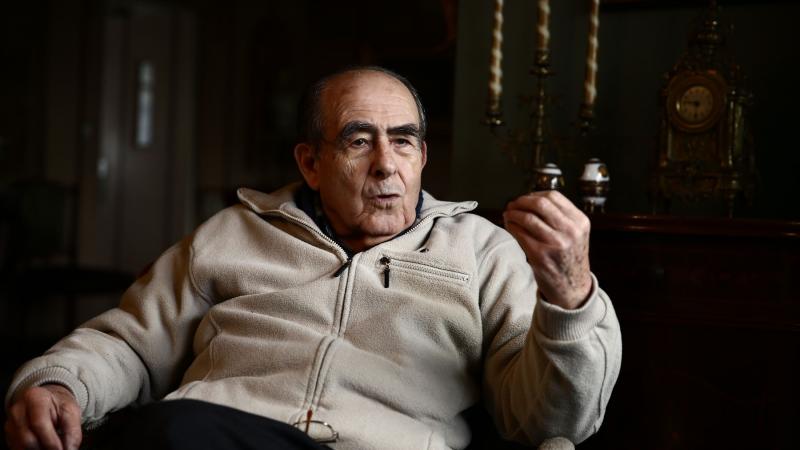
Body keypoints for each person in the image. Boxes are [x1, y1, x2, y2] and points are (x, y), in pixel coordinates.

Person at [4, 66, 621, 450]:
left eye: (404, 142)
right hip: (214, 434)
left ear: (423, 158)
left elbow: (552, 420)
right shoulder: (229, 235)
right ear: (310, 162)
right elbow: (130, 344)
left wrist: (570, 296)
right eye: (359, 140)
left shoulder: (483, 251)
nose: (386, 164)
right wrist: (59, 383)